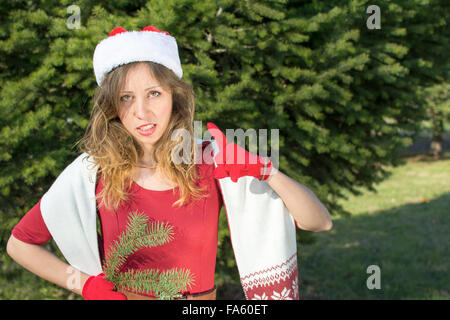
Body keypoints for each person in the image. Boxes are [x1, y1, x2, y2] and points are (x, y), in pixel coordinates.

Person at [6, 26, 332, 300]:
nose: (142, 113)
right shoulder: (93, 171)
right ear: (112, 107)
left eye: (154, 94)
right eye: (126, 98)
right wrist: (84, 283)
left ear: (174, 95)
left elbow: (318, 222)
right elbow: (20, 244)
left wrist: (266, 170)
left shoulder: (211, 162)